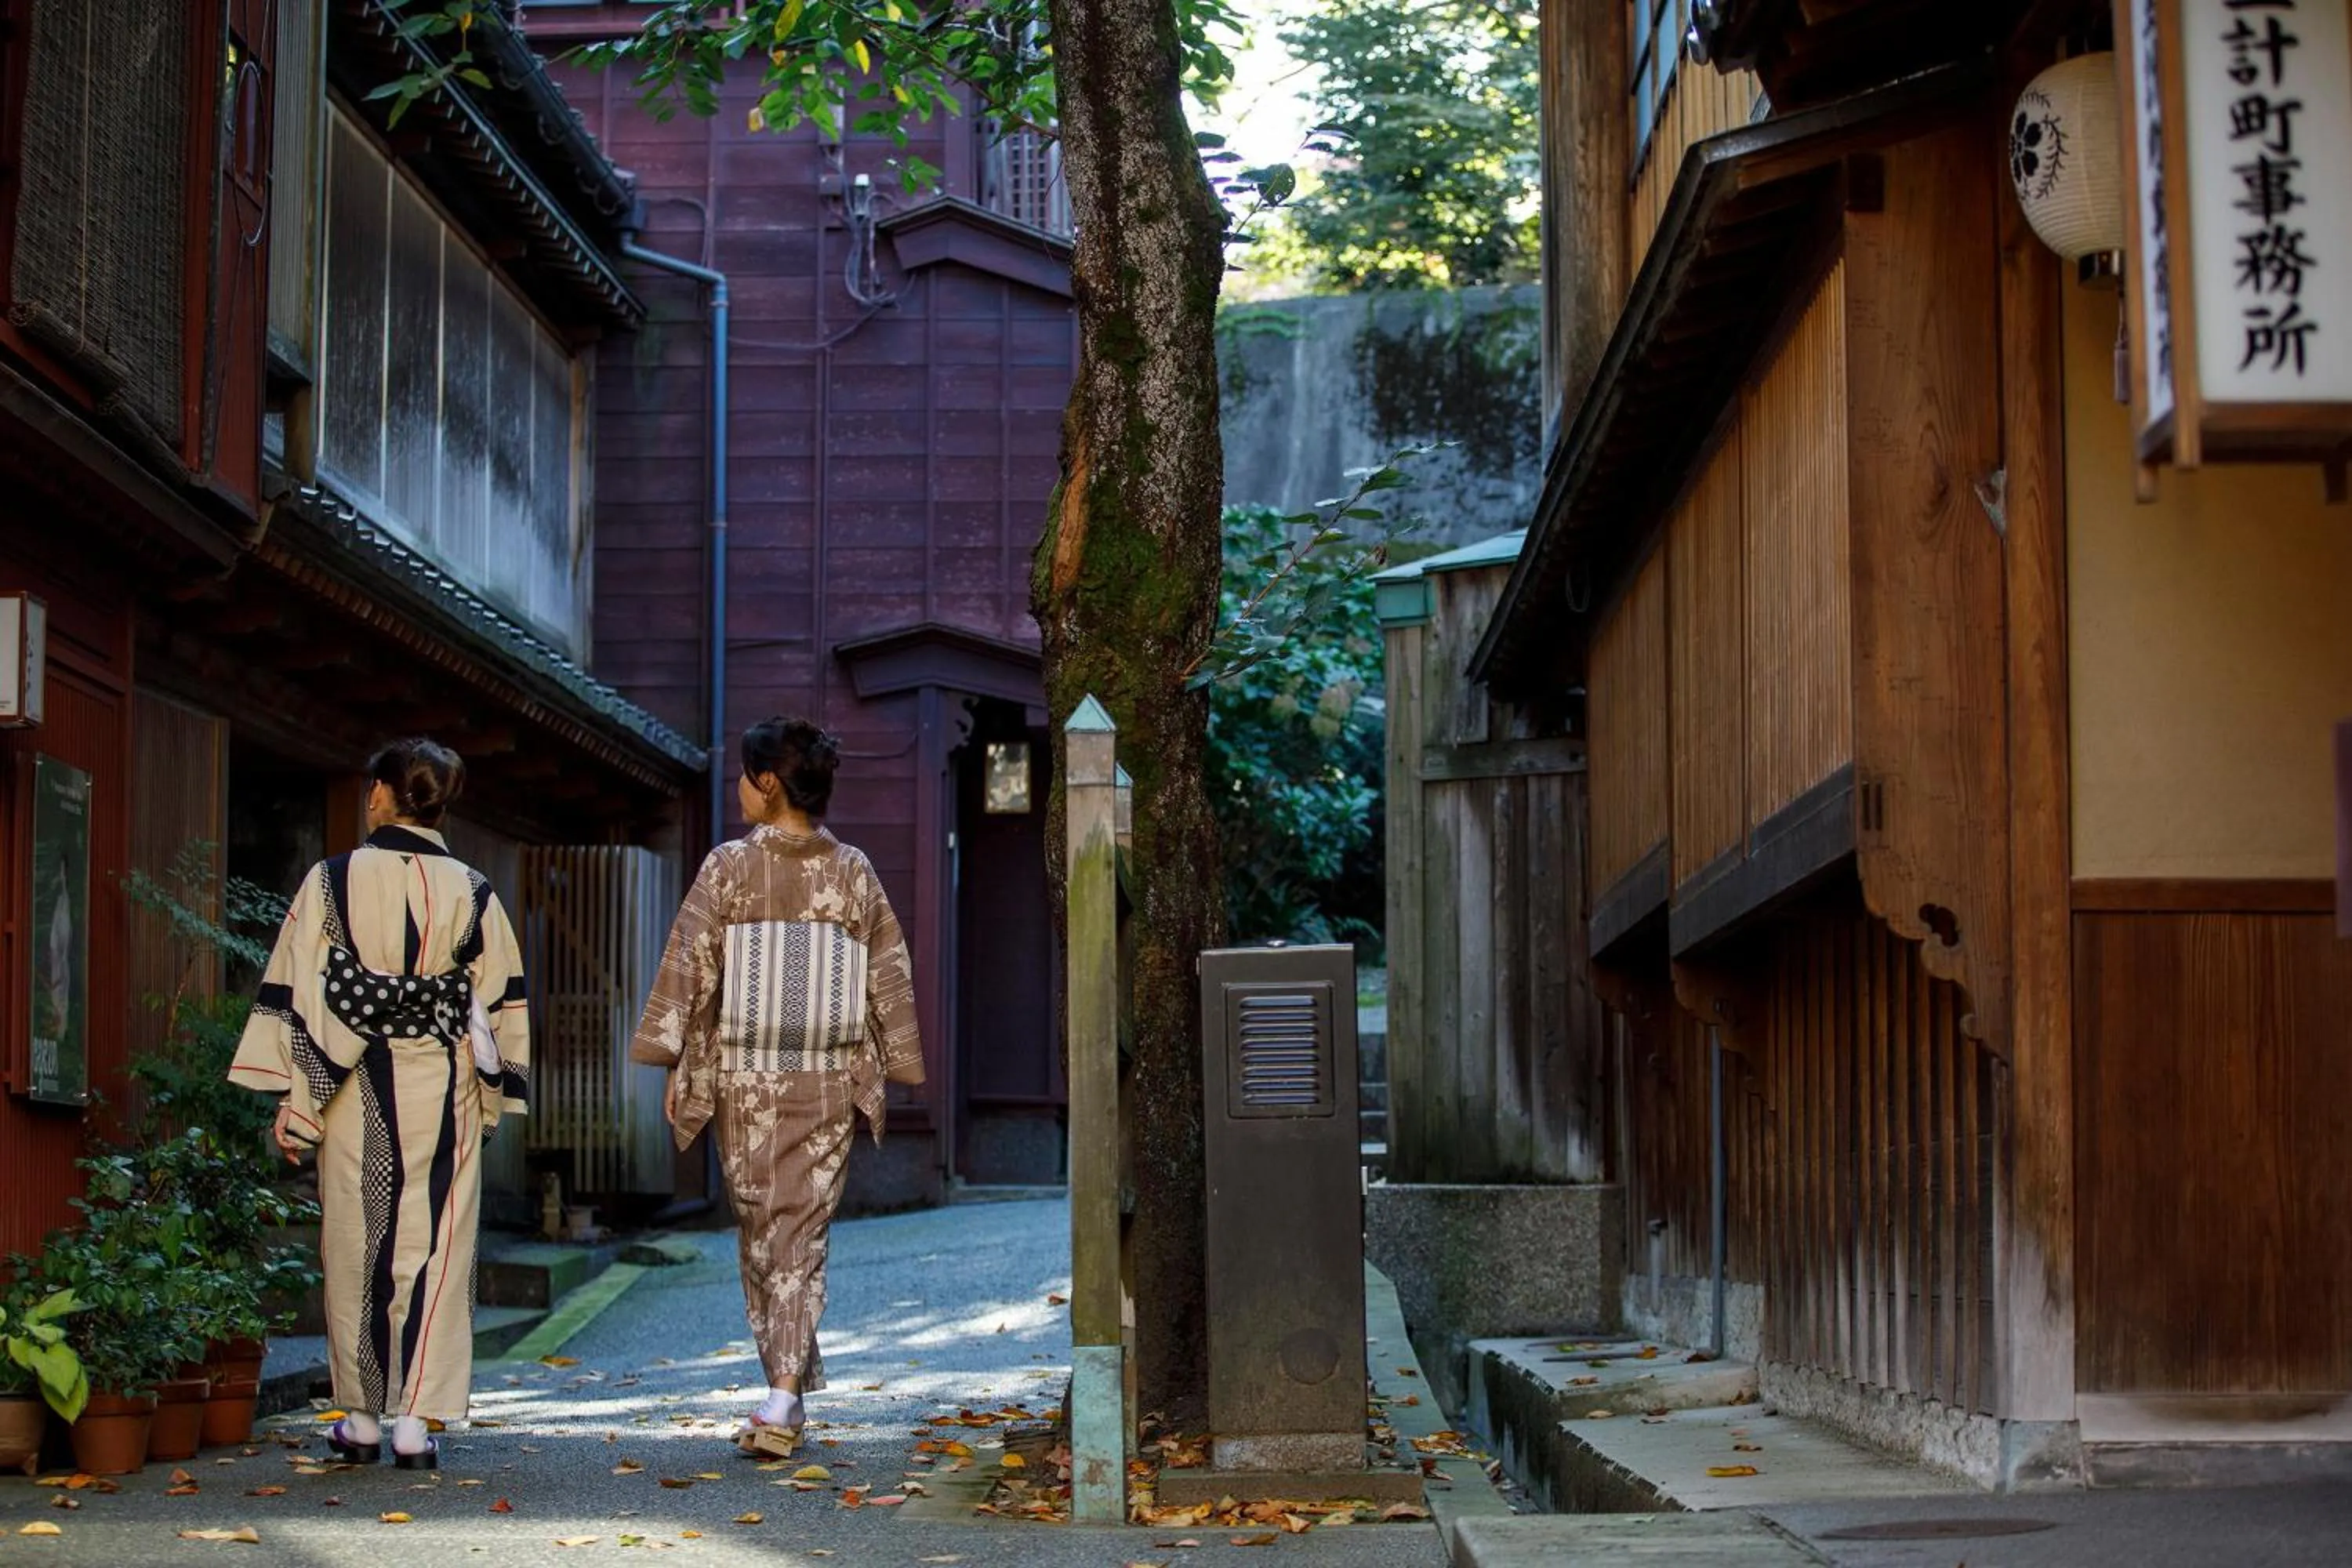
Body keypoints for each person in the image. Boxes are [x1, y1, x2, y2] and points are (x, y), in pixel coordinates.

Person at [228, 739, 528, 1470]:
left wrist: (297, 1099)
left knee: (355, 1241)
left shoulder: (331, 880)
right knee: (438, 1246)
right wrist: (494, 1098)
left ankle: (361, 1419)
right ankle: (415, 1426)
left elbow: (302, 988)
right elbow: (499, 1004)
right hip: (447, 1083)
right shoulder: (474, 891)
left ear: (381, 795)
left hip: (352, 1079)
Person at [631, 717, 924, 1459]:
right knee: (790, 1233)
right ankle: (784, 1390)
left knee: (776, 1231)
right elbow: (888, 972)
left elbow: (689, 967)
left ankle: (784, 1393)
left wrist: (675, 1060)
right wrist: (899, 1058)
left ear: (766, 784)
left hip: (748, 1079)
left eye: (743, 773)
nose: (738, 786)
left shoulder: (729, 867)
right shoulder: (853, 870)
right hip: (827, 1077)